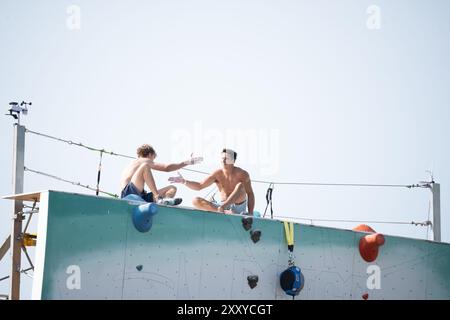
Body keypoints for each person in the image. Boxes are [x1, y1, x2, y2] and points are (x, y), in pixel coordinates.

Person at [169, 149, 255, 215]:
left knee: (240, 185)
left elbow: (250, 194)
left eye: (227, 159)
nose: (223, 161)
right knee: (195, 201)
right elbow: (199, 186)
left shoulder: (243, 174)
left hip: (238, 207)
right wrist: (184, 181)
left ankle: (223, 209)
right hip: (221, 208)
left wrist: (250, 214)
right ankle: (223, 211)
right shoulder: (217, 174)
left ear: (233, 161)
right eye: (222, 158)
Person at [120, 144, 202, 204]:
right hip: (129, 193)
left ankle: (166, 201)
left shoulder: (133, 165)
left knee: (172, 188)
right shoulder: (142, 160)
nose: (153, 161)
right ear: (150, 154)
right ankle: (157, 198)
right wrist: (187, 162)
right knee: (145, 166)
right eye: (153, 157)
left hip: (140, 196)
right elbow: (166, 168)